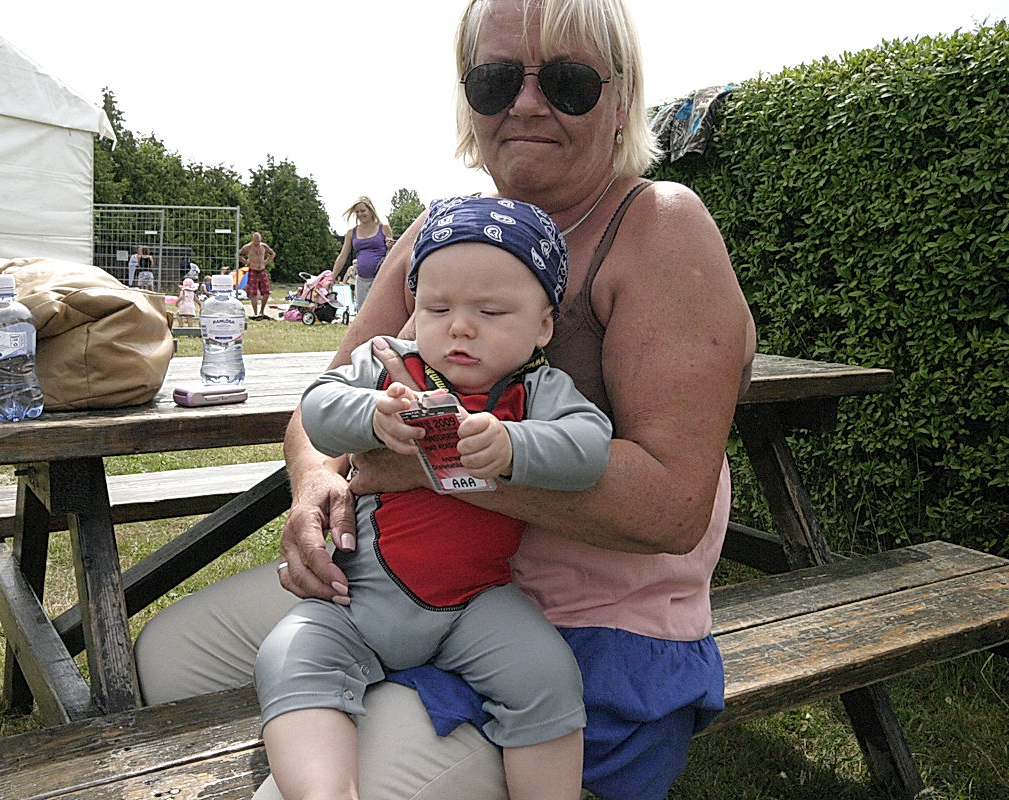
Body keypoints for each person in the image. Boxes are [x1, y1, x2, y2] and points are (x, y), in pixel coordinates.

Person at [134, 1, 757, 797]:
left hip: (577, 630)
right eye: (496, 80)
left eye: (568, 81)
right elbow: (328, 395)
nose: (526, 103)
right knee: (169, 656)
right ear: (470, 98)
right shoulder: (444, 231)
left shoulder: (660, 226)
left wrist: (425, 469)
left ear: (623, 97)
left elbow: (670, 508)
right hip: (398, 575)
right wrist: (315, 484)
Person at [256, 196, 611, 800]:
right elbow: (317, 406)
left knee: (547, 676)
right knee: (290, 655)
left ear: (543, 325)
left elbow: (590, 447)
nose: (460, 326)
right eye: (437, 306)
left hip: (477, 602)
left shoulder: (540, 390)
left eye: (492, 311)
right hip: (358, 595)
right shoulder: (391, 366)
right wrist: (372, 415)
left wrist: (514, 448)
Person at [334, 196, 395, 315]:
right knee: (363, 314)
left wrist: (390, 247)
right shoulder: (351, 232)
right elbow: (342, 256)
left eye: (363, 211)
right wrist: (332, 277)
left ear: (370, 210)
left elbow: (393, 255)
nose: (360, 214)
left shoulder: (384, 228)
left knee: (380, 313)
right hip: (361, 280)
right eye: (357, 212)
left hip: (380, 279)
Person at [239, 231, 276, 320]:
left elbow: (272, 253)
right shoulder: (248, 247)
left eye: (258, 242)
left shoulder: (264, 246)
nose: (257, 244)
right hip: (253, 270)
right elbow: (238, 254)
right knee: (253, 293)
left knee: (267, 292)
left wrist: (266, 262)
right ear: (253, 240)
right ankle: (255, 313)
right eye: (255, 242)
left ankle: (261, 311)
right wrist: (246, 262)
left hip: (262, 270)